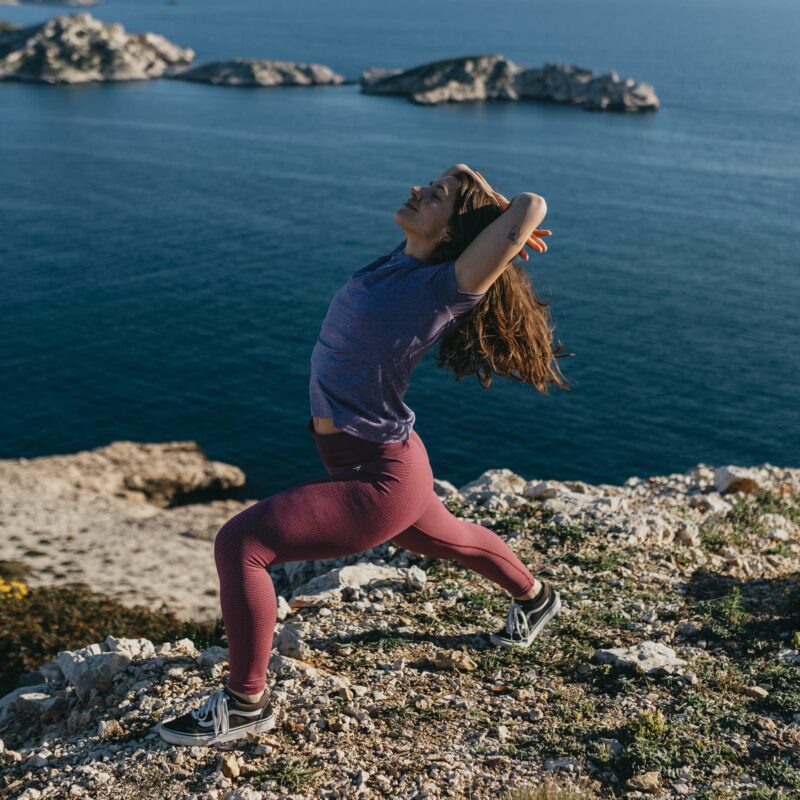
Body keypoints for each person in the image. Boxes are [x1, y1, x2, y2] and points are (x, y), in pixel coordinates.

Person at [158, 163, 572, 747]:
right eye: (426, 186)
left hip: (380, 473)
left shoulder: (444, 287)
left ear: (454, 234)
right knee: (443, 535)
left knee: (242, 543)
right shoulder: (401, 263)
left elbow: (532, 202)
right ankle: (536, 597)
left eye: (435, 196)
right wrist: (476, 205)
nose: (417, 191)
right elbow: (481, 202)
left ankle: (246, 703)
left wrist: (503, 217)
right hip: (385, 454)